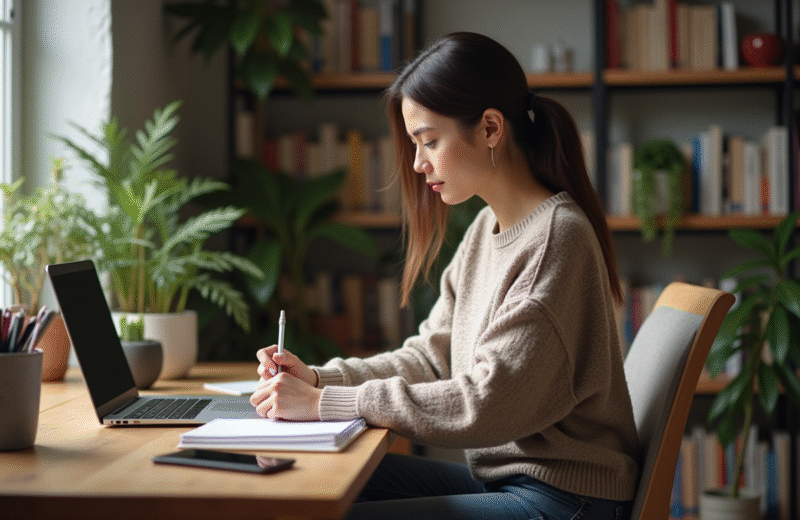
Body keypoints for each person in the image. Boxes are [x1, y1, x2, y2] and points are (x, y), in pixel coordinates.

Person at [250, 32, 640, 520]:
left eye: (429, 141)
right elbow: (431, 357)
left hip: (565, 499)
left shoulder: (556, 241)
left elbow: (488, 402)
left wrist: (328, 402)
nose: (417, 164)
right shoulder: (486, 229)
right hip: (512, 482)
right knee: (304, 478)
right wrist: (318, 379)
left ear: (491, 128)